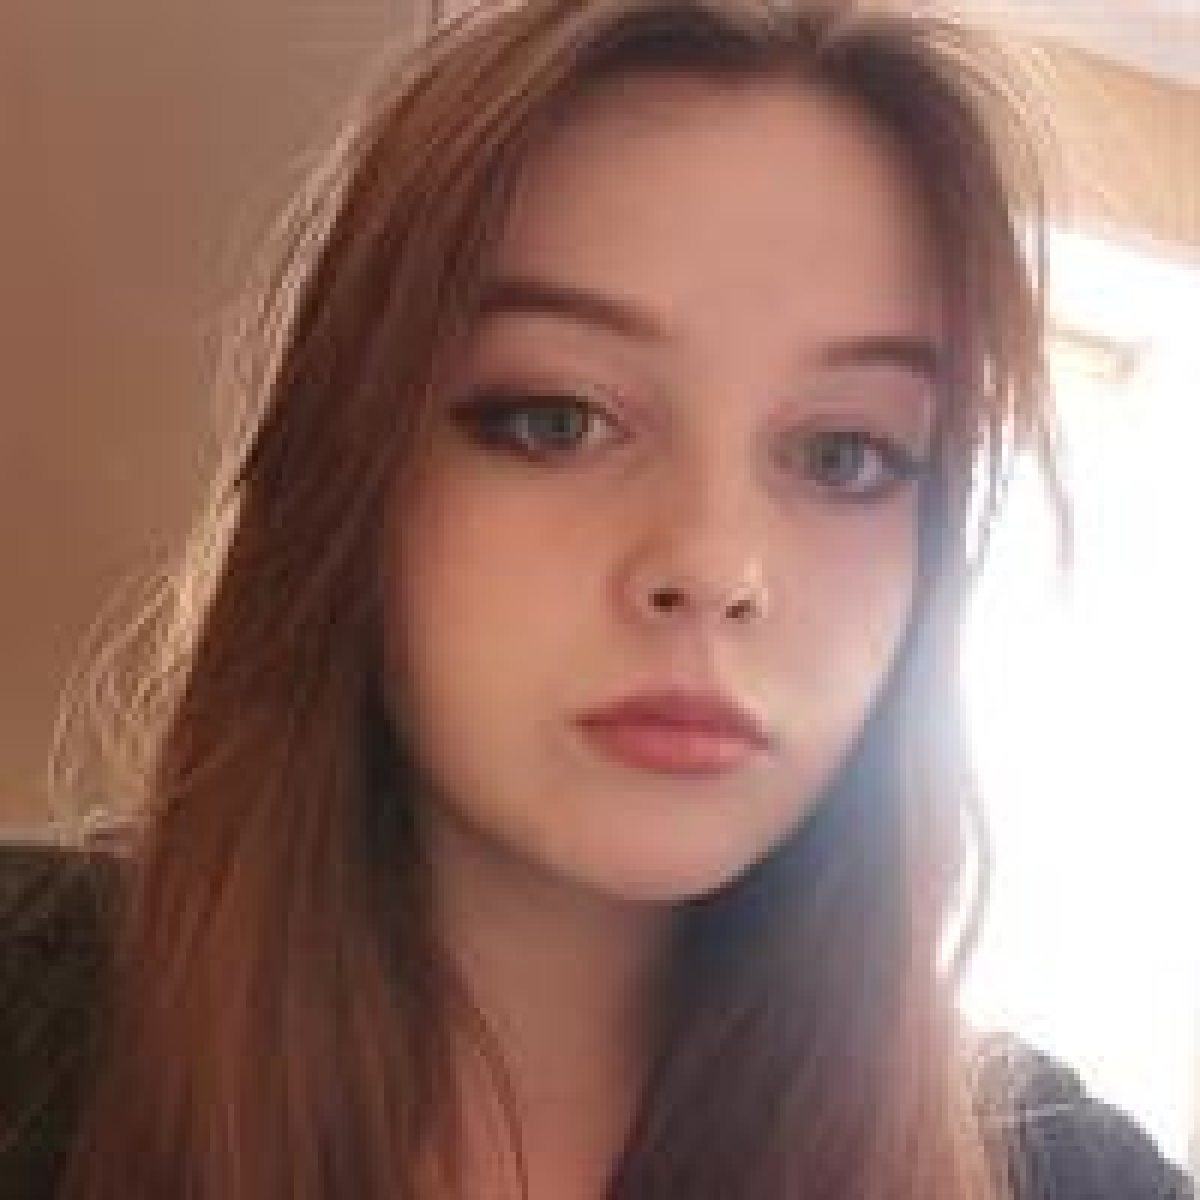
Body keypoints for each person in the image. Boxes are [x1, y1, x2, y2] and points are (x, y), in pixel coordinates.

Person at [0, 1, 1192, 1197]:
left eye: (845, 457)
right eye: (557, 420)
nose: (716, 566)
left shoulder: (1073, 1178)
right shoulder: (30, 1009)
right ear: (351, 464)